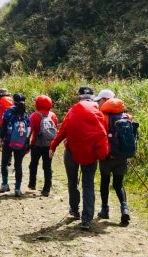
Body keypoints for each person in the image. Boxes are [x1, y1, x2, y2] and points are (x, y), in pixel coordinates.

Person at [49, 86, 108, 231]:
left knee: (72, 181)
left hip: (72, 152)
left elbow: (63, 130)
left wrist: (53, 146)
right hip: (91, 154)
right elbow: (104, 132)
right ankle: (86, 219)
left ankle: (74, 210)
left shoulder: (73, 109)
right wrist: (103, 153)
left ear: (79, 97)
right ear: (93, 97)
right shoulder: (98, 111)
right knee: (88, 185)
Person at [94, 89, 132, 226]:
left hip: (107, 156)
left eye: (99, 100)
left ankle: (105, 210)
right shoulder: (127, 116)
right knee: (118, 184)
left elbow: (99, 135)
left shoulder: (102, 116)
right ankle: (124, 209)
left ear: (105, 100)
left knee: (104, 182)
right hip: (122, 157)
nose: (98, 103)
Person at [0, 93, 31, 197]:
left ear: (13, 100)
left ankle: (5, 184)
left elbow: (3, 126)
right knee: (18, 165)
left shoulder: (8, 112)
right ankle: (17, 189)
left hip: (8, 141)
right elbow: (29, 131)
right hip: (21, 142)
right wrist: (27, 144)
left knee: (4, 162)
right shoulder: (26, 114)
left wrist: (0, 139)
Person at [28, 95, 59, 196]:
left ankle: (32, 183)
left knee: (33, 164)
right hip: (49, 145)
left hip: (36, 144)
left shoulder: (34, 115)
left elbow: (30, 131)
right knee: (47, 167)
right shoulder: (53, 115)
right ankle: (46, 189)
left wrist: (26, 144)